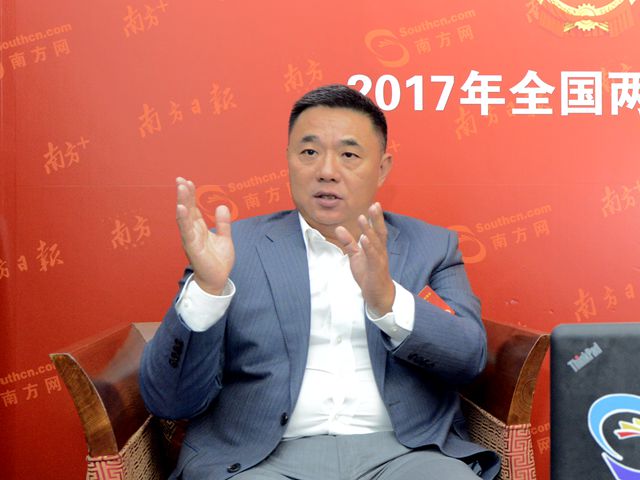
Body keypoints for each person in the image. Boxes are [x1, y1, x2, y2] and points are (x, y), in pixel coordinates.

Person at [139, 84, 500, 480]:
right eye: (309, 152)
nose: (327, 170)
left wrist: (388, 301)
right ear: (288, 160)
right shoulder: (231, 249)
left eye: (349, 155)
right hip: (260, 460)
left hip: (405, 455)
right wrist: (207, 291)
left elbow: (469, 358)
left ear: (382, 168)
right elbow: (169, 400)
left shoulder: (430, 247)